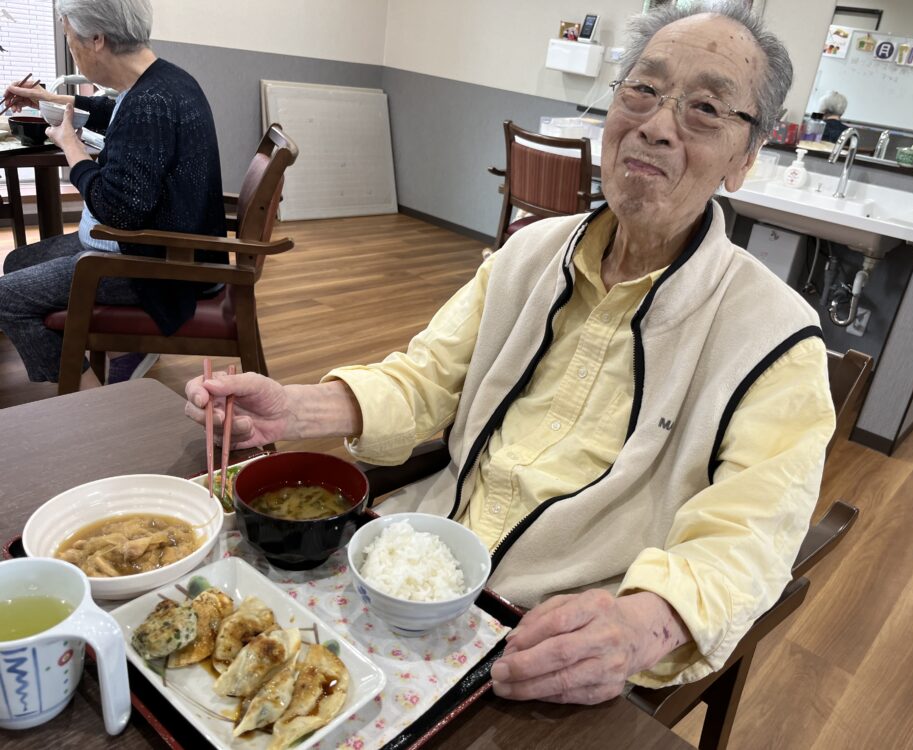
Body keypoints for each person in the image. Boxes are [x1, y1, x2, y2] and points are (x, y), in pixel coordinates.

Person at [185, 0, 835, 705]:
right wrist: (294, 407)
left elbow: (750, 538)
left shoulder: (777, 338)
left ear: (744, 159)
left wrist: (642, 625)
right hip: (413, 562)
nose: (655, 125)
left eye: (705, 108)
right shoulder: (529, 253)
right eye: (642, 89)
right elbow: (425, 378)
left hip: (556, 640)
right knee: (217, 668)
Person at [0, 0, 225, 388]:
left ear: (96, 39)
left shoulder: (149, 104)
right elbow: (111, 110)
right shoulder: (164, 80)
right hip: (166, 248)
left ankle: (92, 401)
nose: (71, 48)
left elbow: (116, 211)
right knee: (18, 261)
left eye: (70, 40)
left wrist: (72, 146)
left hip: (158, 269)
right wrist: (46, 100)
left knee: (7, 296)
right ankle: (105, 349)